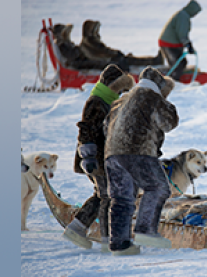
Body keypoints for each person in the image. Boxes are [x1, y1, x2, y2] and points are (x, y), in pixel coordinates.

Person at [103, 66, 178, 256]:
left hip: (112, 153)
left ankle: (120, 244)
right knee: (158, 187)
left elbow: (106, 125)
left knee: (121, 199)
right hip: (138, 150)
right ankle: (145, 230)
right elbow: (168, 123)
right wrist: (166, 104)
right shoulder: (152, 97)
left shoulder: (121, 99)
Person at [63, 64, 135, 252]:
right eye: (119, 89)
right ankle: (105, 238)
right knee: (106, 197)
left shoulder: (107, 100)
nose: (120, 93)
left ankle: (77, 227)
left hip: (104, 157)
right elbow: (86, 130)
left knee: (102, 195)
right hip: (96, 158)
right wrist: (88, 156)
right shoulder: (97, 101)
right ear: (112, 85)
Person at [158, 0, 201, 81]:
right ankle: (171, 82)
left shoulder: (183, 15)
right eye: (195, 12)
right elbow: (182, 33)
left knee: (181, 63)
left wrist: (188, 44)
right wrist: (188, 44)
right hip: (169, 44)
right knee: (177, 65)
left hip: (173, 44)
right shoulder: (183, 16)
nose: (195, 14)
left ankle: (179, 78)